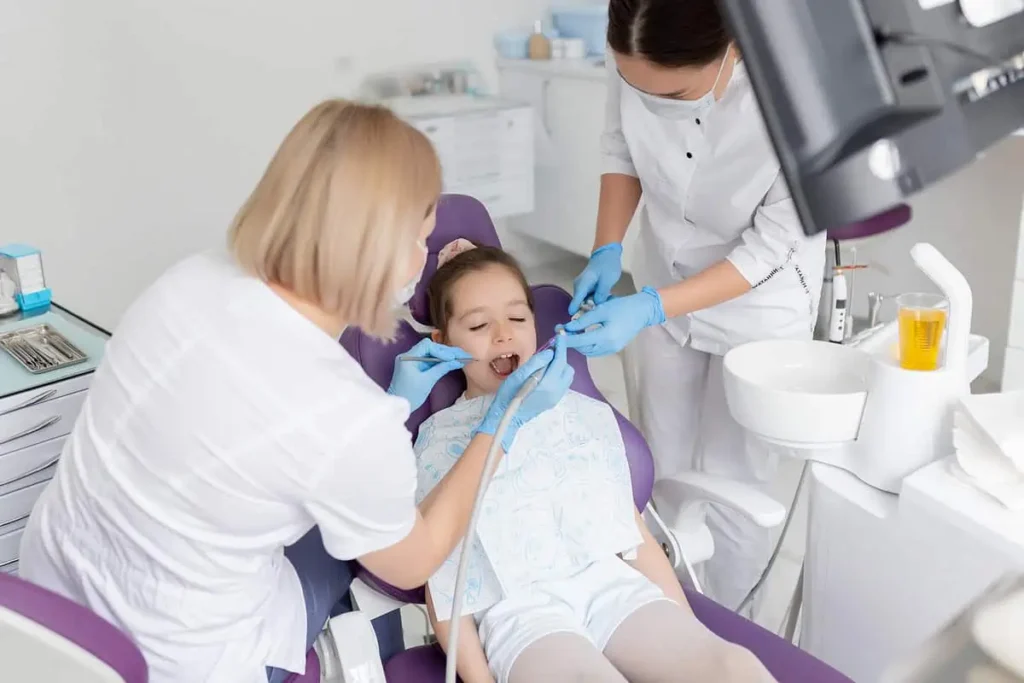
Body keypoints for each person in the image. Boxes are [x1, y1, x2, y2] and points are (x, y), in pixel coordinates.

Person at [18, 100, 572, 683]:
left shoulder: (188, 280)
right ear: (383, 252)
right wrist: (501, 422)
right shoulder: (344, 414)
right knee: (361, 565)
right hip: (183, 659)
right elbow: (412, 564)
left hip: (53, 610)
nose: (423, 259)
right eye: (422, 240)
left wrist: (391, 412)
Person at [561, 0, 826, 615]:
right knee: (659, 467)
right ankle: (665, 615)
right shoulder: (636, 44)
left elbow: (773, 246)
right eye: (637, 87)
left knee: (736, 489)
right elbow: (620, 149)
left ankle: (732, 625)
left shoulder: (797, 90)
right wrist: (606, 248)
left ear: (731, 47)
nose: (654, 104)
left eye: (675, 95)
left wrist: (651, 307)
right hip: (661, 274)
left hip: (759, 306)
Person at [413, 239, 776, 683]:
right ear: (442, 343)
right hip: (522, 614)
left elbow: (634, 535)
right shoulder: (439, 441)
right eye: (478, 325)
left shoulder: (578, 413)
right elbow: (441, 583)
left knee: (734, 667)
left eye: (517, 318)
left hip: (613, 588)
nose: (503, 334)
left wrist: (691, 638)